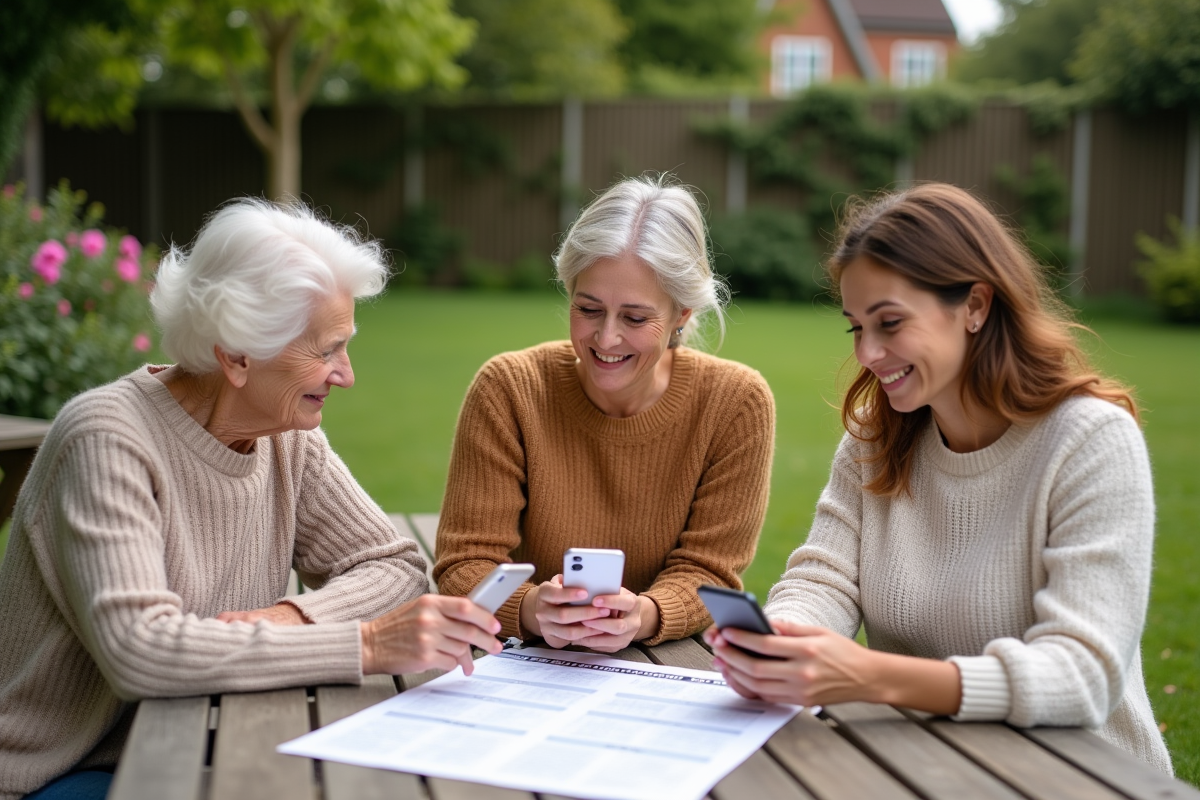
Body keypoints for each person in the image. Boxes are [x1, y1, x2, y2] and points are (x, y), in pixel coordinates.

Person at [0, 199, 502, 800]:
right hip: (63, 771)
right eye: (325, 350)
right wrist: (366, 643)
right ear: (237, 355)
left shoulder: (283, 435)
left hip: (200, 734)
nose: (346, 374)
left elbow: (393, 566)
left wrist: (288, 618)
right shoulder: (108, 437)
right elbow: (142, 651)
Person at [705, 182, 1173, 774]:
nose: (869, 353)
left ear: (975, 305)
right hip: (924, 767)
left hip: (1081, 777)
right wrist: (784, 638)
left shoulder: (1090, 442)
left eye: (890, 322)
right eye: (855, 327)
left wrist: (867, 674)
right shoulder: (878, 438)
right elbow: (825, 577)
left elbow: (1080, 677)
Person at [434, 175, 775, 652]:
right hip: (524, 662)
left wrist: (643, 615)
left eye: (635, 318)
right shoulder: (509, 388)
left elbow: (711, 569)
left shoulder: (735, 402)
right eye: (588, 308)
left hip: (663, 665)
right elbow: (465, 561)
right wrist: (533, 609)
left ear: (681, 314)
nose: (606, 338)